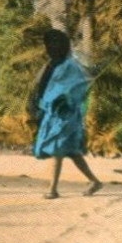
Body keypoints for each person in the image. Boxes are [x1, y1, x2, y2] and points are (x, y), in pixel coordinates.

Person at [28, 27, 102, 200]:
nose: (51, 47)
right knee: (71, 152)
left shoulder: (70, 66)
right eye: (49, 44)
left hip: (66, 116)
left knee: (57, 149)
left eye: (55, 43)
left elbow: (78, 88)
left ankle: (52, 189)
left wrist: (64, 100)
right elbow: (43, 87)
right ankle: (94, 181)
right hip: (51, 114)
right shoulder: (50, 65)